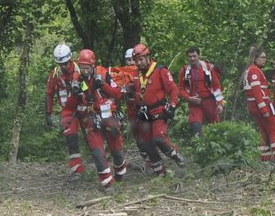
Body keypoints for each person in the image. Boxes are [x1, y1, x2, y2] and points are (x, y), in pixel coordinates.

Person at [70, 48, 128, 189]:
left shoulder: (103, 73)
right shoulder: (77, 79)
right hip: (91, 117)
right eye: (82, 67)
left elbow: (118, 94)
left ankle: (120, 170)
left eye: (87, 67)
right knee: (97, 152)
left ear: (93, 65)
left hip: (108, 115)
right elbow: (72, 104)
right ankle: (107, 183)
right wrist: (75, 93)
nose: (85, 70)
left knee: (117, 150)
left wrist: (103, 84)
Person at [125, 43, 184, 172]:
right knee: (146, 143)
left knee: (159, 138)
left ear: (148, 57)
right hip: (143, 113)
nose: (138, 63)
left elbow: (173, 89)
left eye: (140, 59)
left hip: (159, 111)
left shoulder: (160, 70)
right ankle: (159, 171)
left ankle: (175, 155)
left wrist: (173, 105)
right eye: (136, 61)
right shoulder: (135, 74)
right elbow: (135, 94)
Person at [44, 43, 88, 176]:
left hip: (84, 107)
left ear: (70, 60)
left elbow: (91, 89)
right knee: (71, 138)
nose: (63, 66)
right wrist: (48, 114)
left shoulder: (80, 70)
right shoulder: (55, 75)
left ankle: (101, 163)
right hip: (68, 110)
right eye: (60, 64)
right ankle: (77, 170)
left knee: (91, 136)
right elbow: (49, 94)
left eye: (65, 63)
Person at [240, 46, 275, 166]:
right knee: (272, 129)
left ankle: (264, 157)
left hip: (254, 105)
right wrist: (264, 108)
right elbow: (256, 91)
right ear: (255, 58)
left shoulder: (250, 70)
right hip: (261, 104)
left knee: (263, 131)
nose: (265, 60)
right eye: (262, 58)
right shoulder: (254, 71)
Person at [180, 46, 224, 138]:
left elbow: (216, 87)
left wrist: (220, 104)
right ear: (187, 58)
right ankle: (200, 147)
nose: (192, 59)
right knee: (195, 125)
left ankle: (216, 148)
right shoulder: (184, 71)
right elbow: (181, 89)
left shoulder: (208, 68)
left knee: (216, 128)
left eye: (194, 56)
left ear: (198, 56)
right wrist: (189, 98)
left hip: (209, 102)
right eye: (190, 56)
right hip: (195, 104)